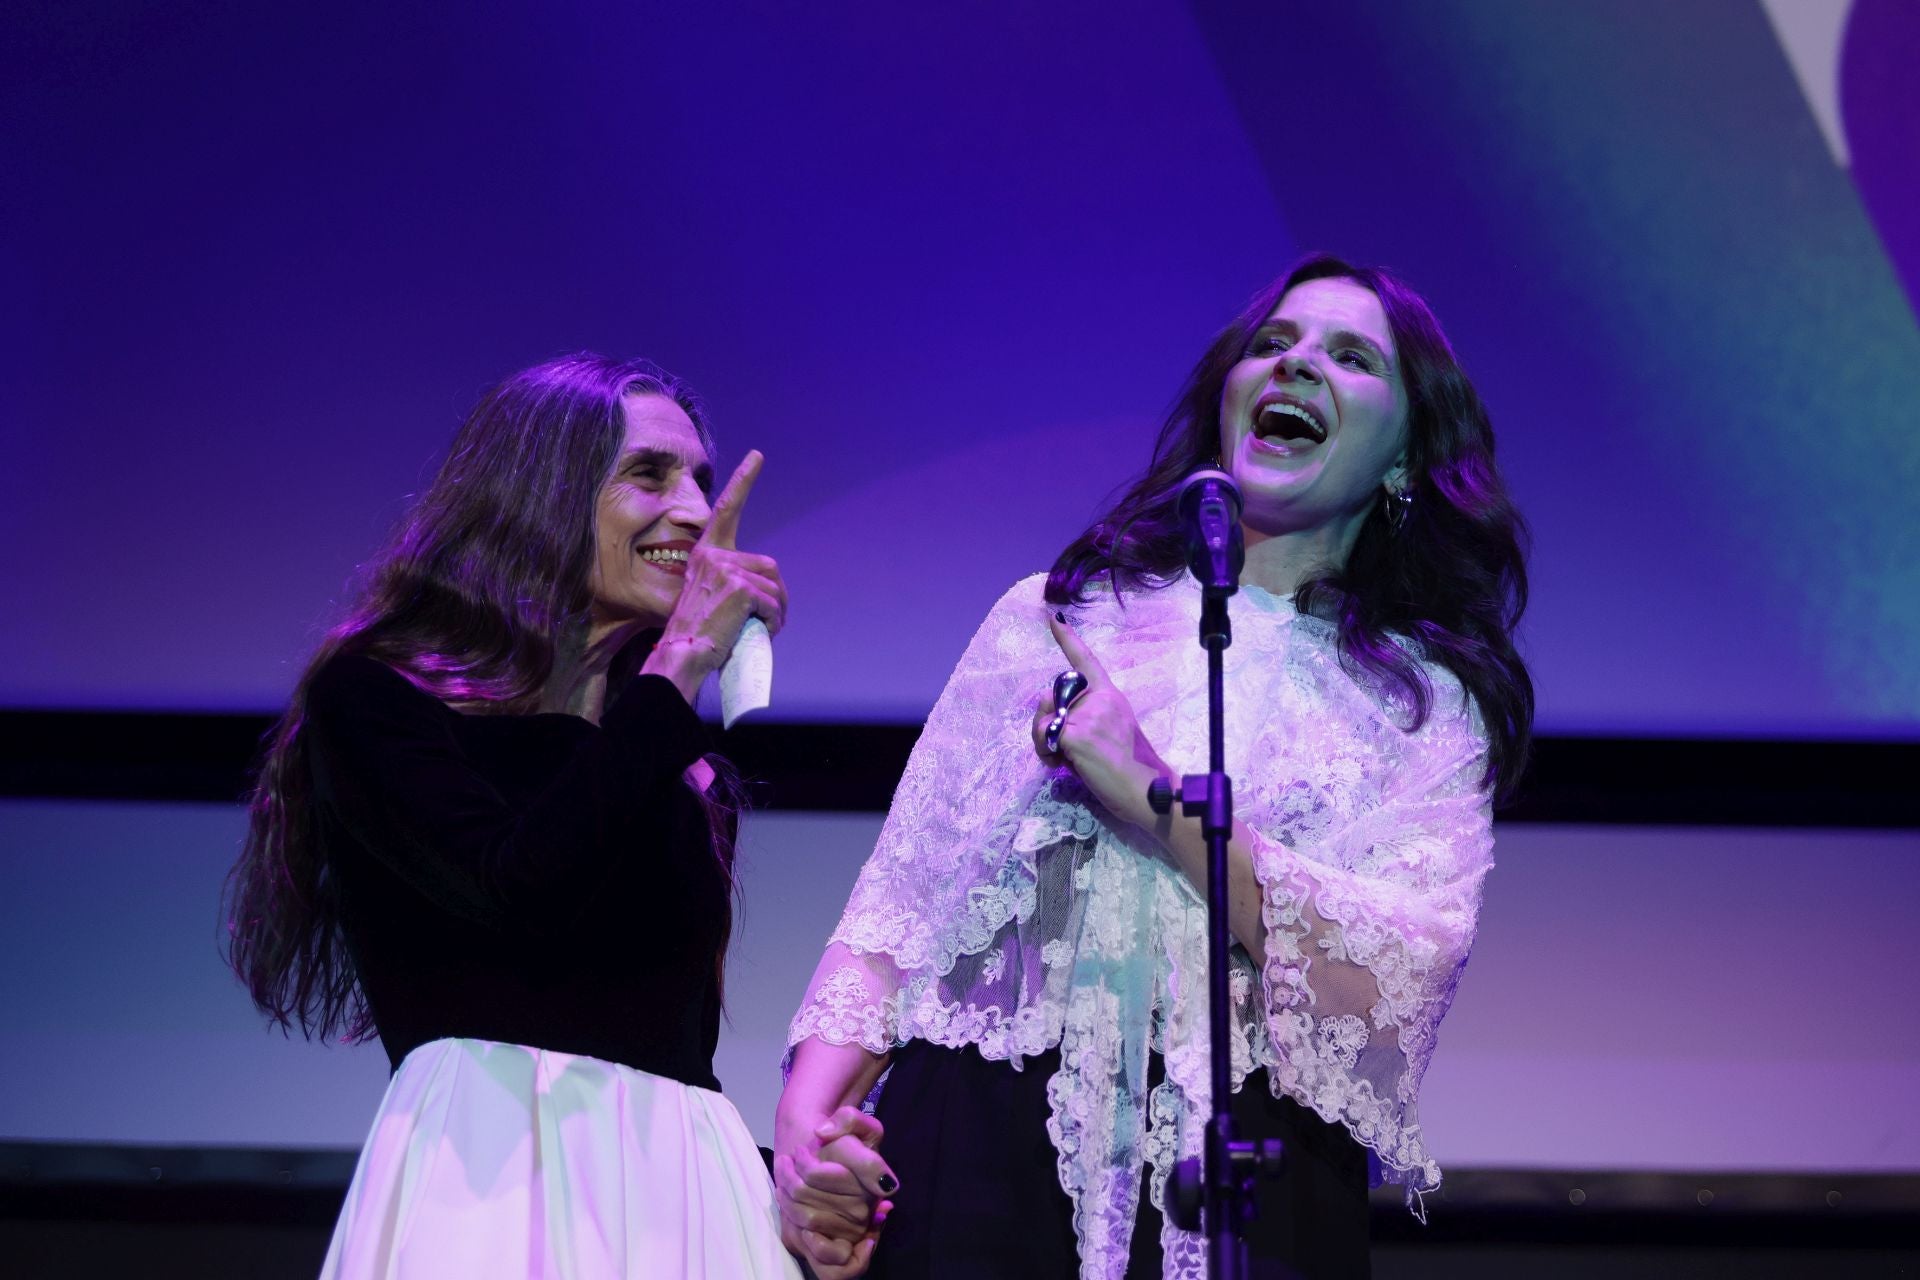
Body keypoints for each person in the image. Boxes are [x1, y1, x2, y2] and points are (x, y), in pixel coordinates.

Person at [774, 255, 1533, 1279]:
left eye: (1349, 357)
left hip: (1244, 1174)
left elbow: (1398, 973)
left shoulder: (1418, 701)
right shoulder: (1058, 617)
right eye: (1273, 344)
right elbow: (901, 909)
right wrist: (808, 1123)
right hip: (979, 1152)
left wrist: (1153, 796)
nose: (1296, 364)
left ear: (1404, 455)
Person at [223, 354, 834, 1278]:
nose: (698, 515)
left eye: (702, 483)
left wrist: (791, 1191)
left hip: (688, 1217)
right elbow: (518, 888)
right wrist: (677, 671)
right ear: (541, 493)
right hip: (494, 1188)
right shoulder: (379, 702)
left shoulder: (681, 778)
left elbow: (669, 1070)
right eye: (649, 474)